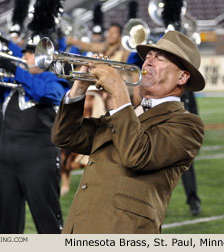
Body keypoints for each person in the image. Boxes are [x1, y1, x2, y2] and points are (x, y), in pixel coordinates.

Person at [52, 30, 205, 233]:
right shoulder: (126, 113)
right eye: (148, 55)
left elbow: (137, 156)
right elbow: (65, 136)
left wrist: (118, 91)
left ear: (182, 76)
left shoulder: (187, 125)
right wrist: (79, 88)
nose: (148, 61)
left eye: (159, 58)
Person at [0, 40, 69, 233]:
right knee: (7, 224)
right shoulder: (12, 83)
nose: (23, 57)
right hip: (5, 163)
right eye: (24, 53)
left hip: (38, 164)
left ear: (45, 59)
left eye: (29, 54)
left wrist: (14, 69)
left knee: (48, 222)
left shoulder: (56, 83)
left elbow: (43, 94)